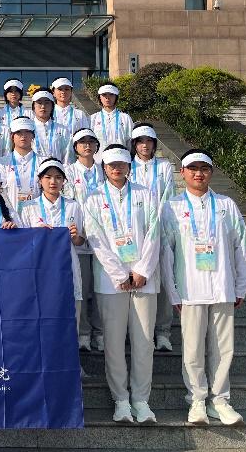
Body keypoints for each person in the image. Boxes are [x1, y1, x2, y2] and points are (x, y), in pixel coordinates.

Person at [161, 149, 246, 426]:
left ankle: (220, 400)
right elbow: (166, 253)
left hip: (222, 286)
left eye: (204, 168)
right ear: (183, 173)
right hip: (190, 289)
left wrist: (241, 285)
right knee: (192, 349)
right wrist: (173, 291)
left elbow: (241, 247)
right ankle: (197, 400)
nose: (198, 173)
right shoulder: (172, 208)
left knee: (223, 348)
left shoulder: (226, 205)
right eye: (193, 168)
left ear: (211, 172)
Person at [84, 144, 160, 425]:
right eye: (111, 165)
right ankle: (121, 400)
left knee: (144, 342)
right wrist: (119, 274)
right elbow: (96, 238)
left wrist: (142, 270)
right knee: (114, 344)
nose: (117, 169)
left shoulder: (145, 194)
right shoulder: (93, 198)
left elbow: (154, 233)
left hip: (143, 280)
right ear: (104, 168)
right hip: (110, 282)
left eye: (121, 164)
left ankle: (141, 400)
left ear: (129, 166)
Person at [130, 123, 178, 352]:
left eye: (149, 141)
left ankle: (163, 332)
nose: (145, 145)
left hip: (160, 231)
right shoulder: (127, 166)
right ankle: (138, 331)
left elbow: (168, 196)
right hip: (134, 234)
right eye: (140, 141)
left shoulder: (164, 166)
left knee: (163, 281)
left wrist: (157, 225)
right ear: (134, 144)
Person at [19, 158, 84, 326]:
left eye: (58, 177)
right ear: (40, 180)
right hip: (38, 266)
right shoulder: (28, 207)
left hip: (67, 265)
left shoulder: (73, 206)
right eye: (48, 177)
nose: (53, 181)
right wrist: (36, 234)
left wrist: (75, 237)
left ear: (64, 181)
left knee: (70, 316)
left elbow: (80, 241)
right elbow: (21, 244)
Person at [63, 128, 105, 352]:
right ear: (75, 147)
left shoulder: (104, 170)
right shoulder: (68, 172)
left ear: (97, 146)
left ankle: (100, 332)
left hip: (103, 239)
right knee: (82, 287)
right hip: (78, 238)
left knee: (101, 290)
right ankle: (84, 333)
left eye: (91, 141)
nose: (87, 145)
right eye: (82, 142)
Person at [0, 116, 42, 210]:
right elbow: (0, 191)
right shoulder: (3, 162)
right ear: (12, 136)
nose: (23, 136)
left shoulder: (43, 161)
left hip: (39, 214)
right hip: (11, 214)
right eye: (19, 132)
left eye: (27, 131)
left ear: (33, 135)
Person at [51, 77, 90, 164]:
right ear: (53, 92)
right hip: (53, 158)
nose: (63, 92)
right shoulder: (48, 113)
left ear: (71, 92)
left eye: (67, 89)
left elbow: (85, 136)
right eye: (60, 89)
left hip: (74, 159)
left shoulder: (79, 114)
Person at [90, 83, 133, 153]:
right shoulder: (93, 118)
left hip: (121, 157)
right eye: (104, 95)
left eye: (111, 94)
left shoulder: (125, 118)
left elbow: (130, 141)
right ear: (100, 97)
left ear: (116, 97)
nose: (107, 98)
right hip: (99, 158)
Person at [30, 88, 67, 159]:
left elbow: (68, 156)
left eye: (47, 103)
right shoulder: (27, 129)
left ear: (52, 106)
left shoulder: (62, 129)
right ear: (33, 106)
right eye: (39, 103)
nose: (43, 106)